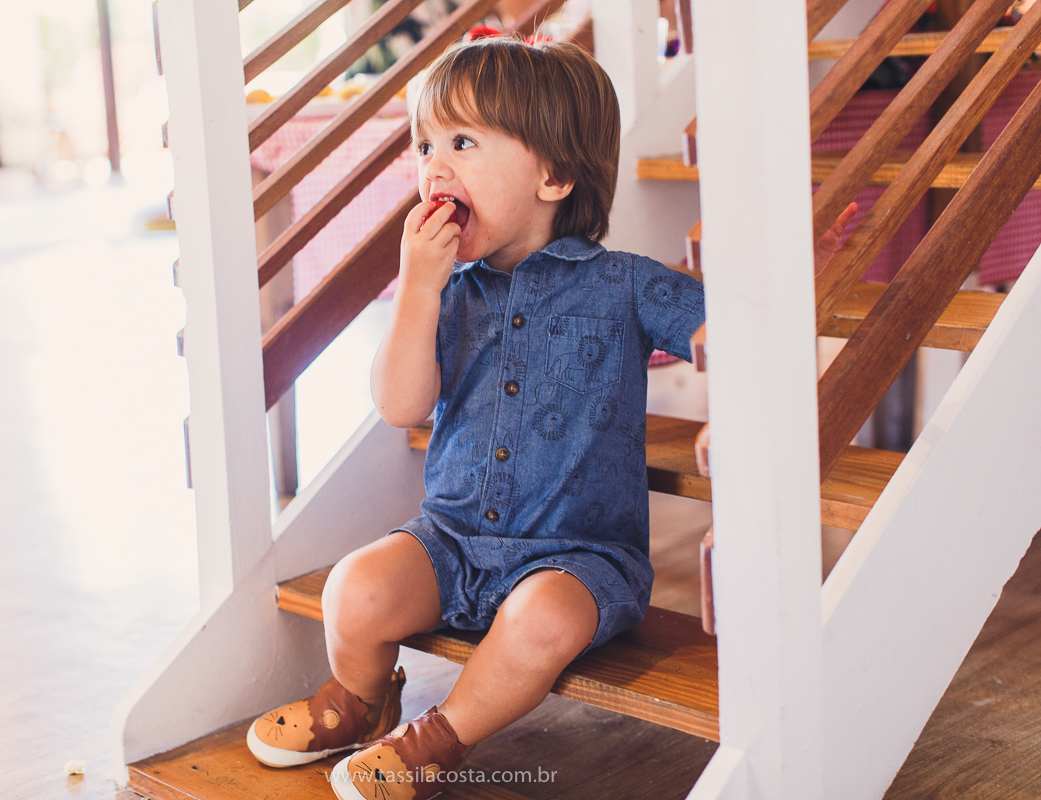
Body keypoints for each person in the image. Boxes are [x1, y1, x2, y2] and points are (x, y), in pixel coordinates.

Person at [247, 35, 852, 800]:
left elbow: (720, 332)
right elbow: (400, 404)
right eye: (425, 143)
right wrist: (416, 289)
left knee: (540, 624)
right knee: (353, 589)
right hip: (453, 539)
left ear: (554, 175)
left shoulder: (625, 283)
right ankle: (365, 701)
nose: (434, 164)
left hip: (580, 557)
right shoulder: (449, 293)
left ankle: (438, 738)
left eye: (462, 142)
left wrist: (788, 280)